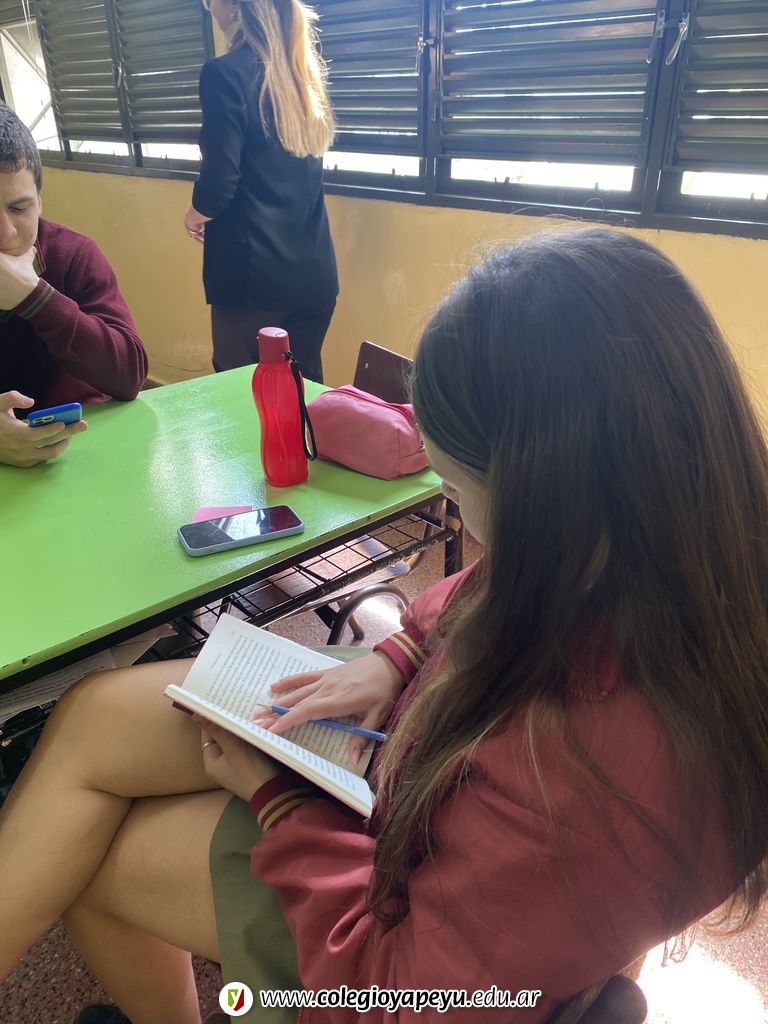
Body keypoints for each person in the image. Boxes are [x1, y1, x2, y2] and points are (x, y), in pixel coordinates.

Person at [2, 228, 768, 1024]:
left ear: (547, 499)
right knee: (97, 712)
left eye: (459, 491)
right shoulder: (654, 544)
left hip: (388, 906)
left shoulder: (597, 768)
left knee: (93, 857)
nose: (466, 529)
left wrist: (278, 801)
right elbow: (485, 585)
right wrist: (398, 655)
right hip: (419, 759)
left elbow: (398, 995)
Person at [184, 0, 338, 382]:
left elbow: (219, 183)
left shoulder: (224, 73)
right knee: (303, 395)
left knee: (240, 394)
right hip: (314, 278)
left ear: (235, 5)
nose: (209, 9)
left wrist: (193, 214)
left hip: (252, 284)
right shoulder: (301, 75)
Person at [0, 104, 148, 470]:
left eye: (19, 208)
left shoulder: (74, 254)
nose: (6, 232)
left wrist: (35, 298)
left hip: (81, 454)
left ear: (39, 201)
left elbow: (129, 375)